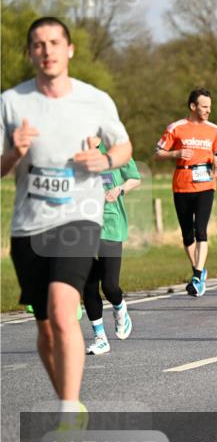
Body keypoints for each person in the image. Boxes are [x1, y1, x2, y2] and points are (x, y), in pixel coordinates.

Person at [2, 17, 133, 427]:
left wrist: (107, 160)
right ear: (30, 53)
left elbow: (124, 146)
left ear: (69, 49)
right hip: (29, 225)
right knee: (44, 326)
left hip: (80, 217)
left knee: (63, 312)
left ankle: (67, 411)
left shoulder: (95, 100)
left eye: (55, 42)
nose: (47, 51)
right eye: (39, 45)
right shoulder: (12, 102)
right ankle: (69, 402)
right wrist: (14, 153)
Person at [155, 88, 217, 297]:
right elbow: (158, 152)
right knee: (187, 235)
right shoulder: (176, 128)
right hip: (182, 184)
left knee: (200, 229)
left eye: (210, 107)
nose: (208, 111)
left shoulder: (214, 129)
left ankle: (196, 276)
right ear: (193, 106)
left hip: (205, 185)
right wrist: (176, 153)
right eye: (204, 106)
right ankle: (200, 271)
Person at [83, 139, 141, 355]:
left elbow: (135, 178)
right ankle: (100, 337)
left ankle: (119, 307)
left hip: (110, 222)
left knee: (109, 285)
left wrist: (120, 189)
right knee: (88, 284)